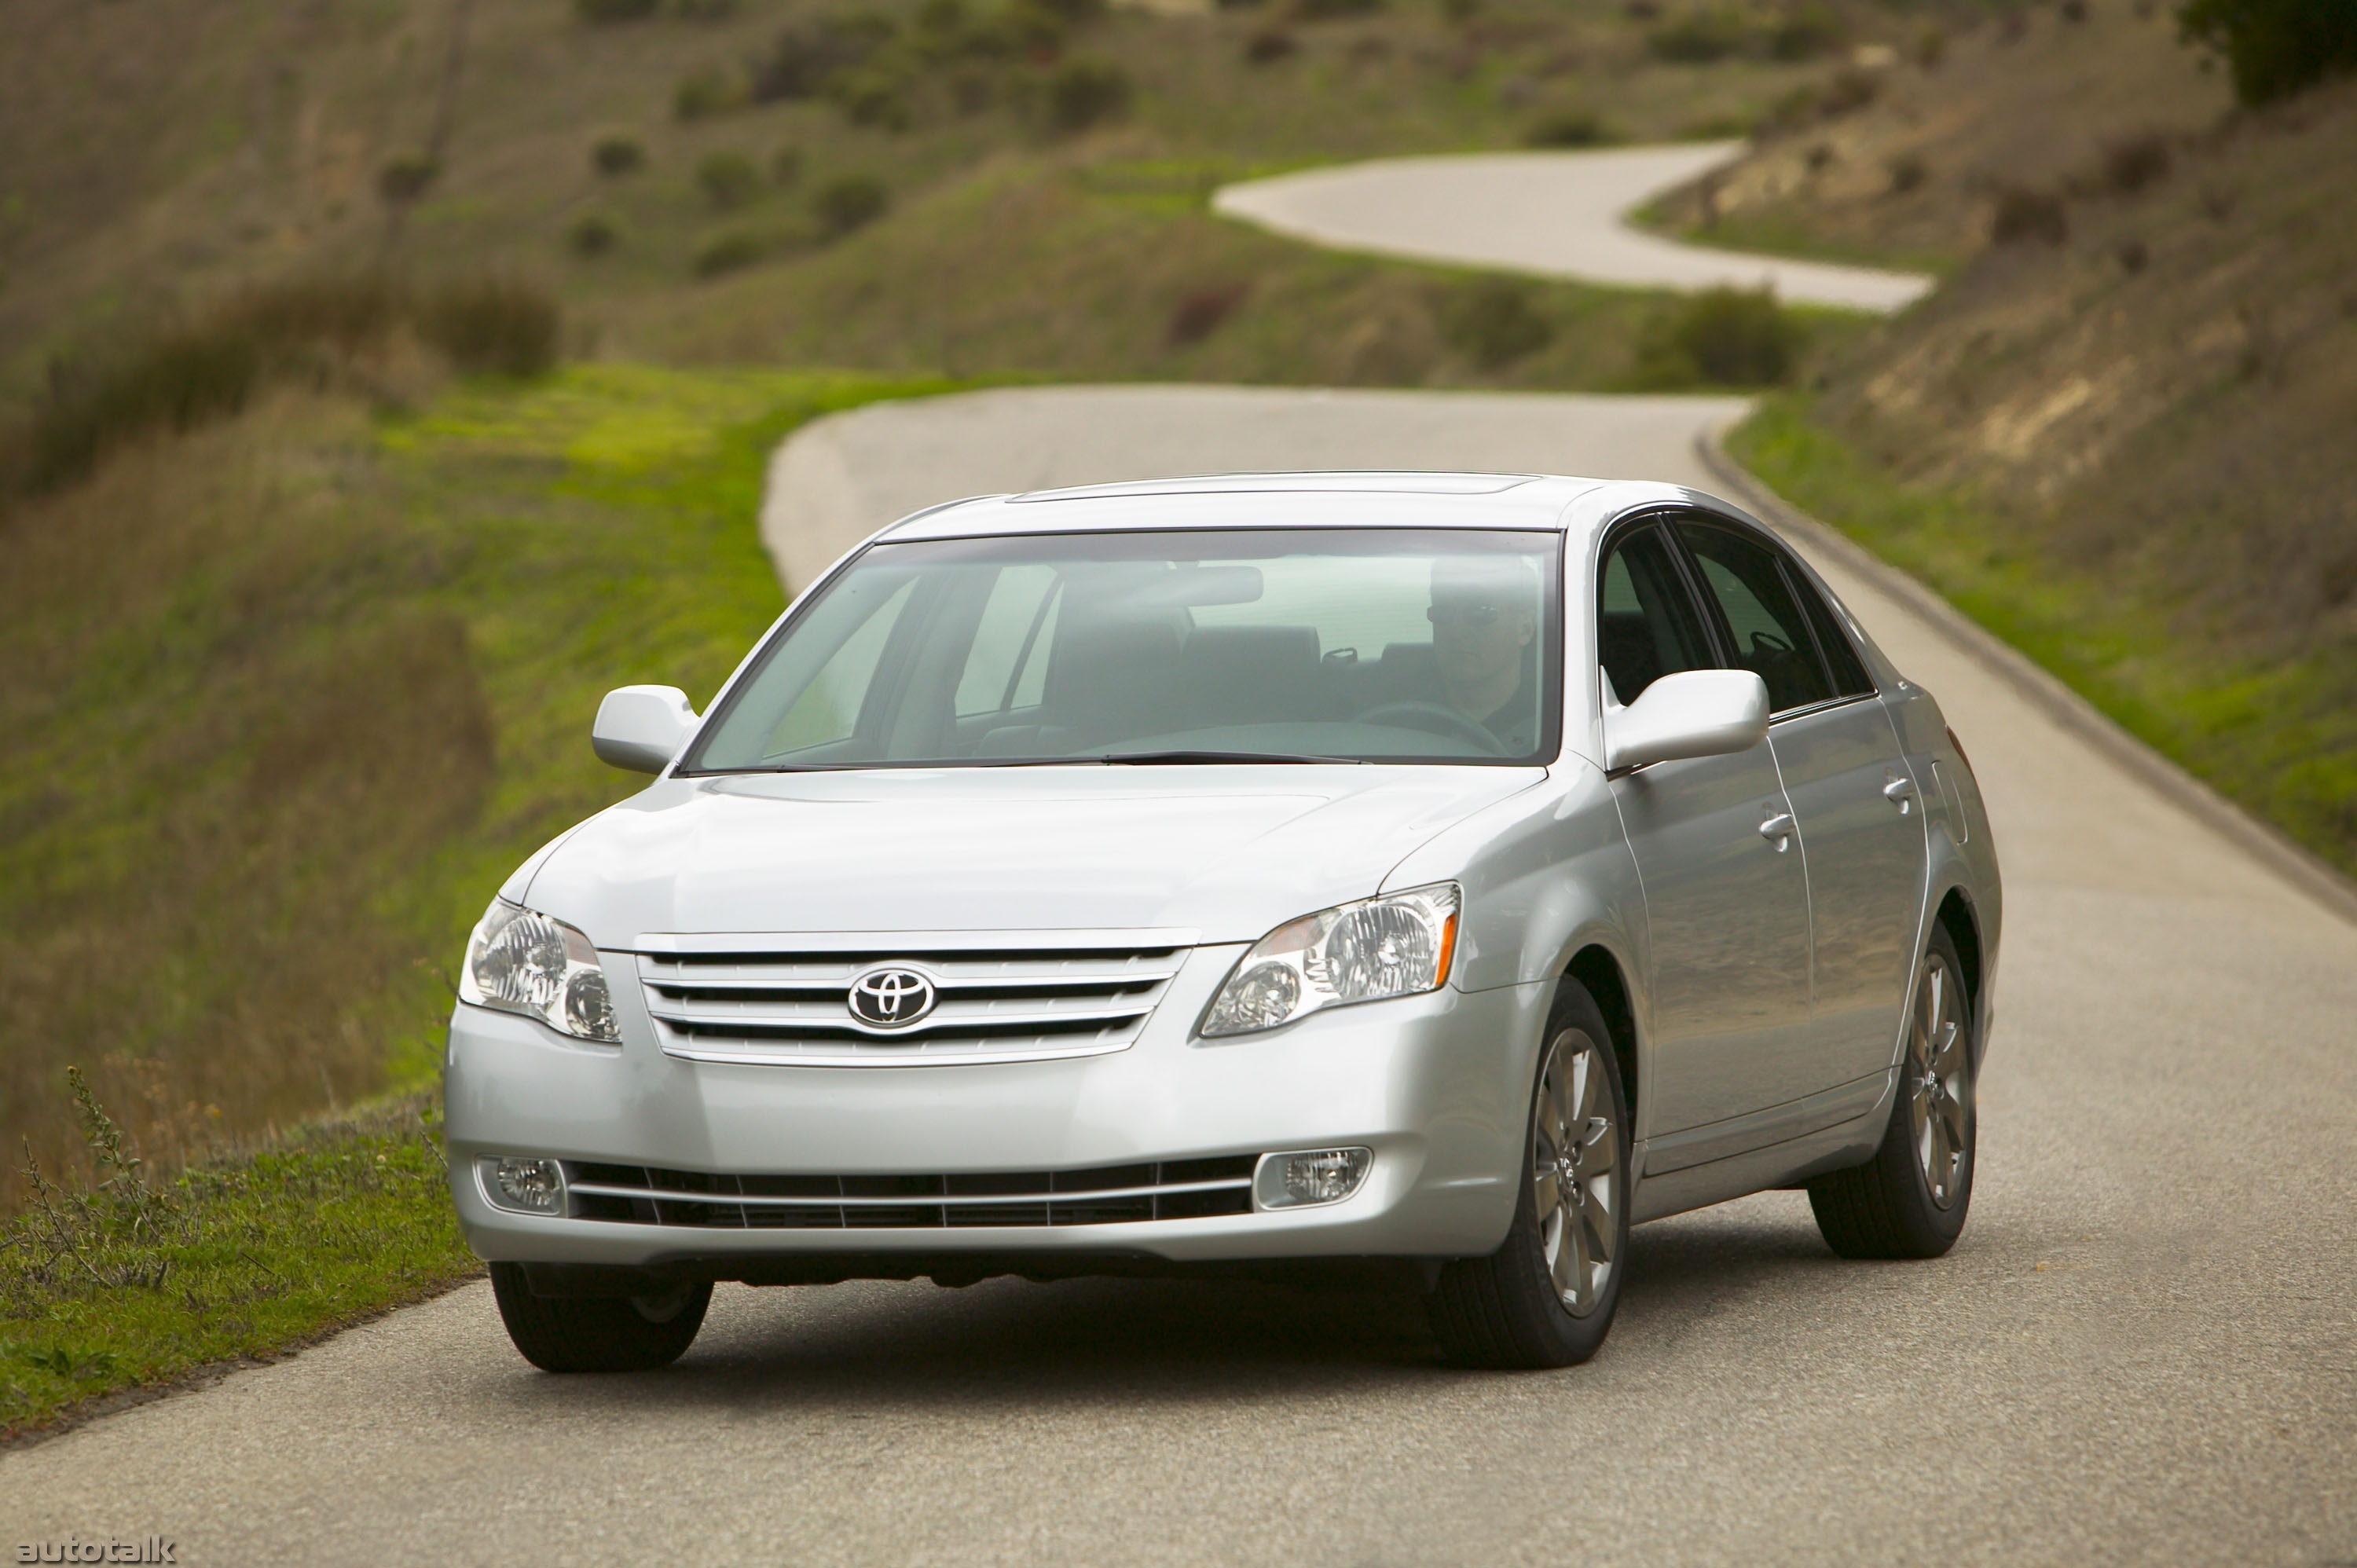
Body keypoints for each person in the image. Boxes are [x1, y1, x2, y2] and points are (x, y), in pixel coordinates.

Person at [1426, 555, 1541, 753]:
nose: (1456, 632)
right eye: (1443, 613)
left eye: (1480, 613)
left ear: (1525, 628)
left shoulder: (1560, 721)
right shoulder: (1392, 717)